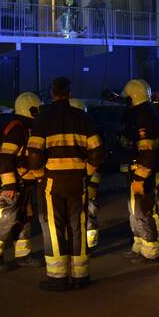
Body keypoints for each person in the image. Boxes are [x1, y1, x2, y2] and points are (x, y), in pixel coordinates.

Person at [27, 77, 104, 291]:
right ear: (69, 93)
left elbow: (33, 154)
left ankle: (58, 277)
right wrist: (85, 173)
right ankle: (81, 275)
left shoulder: (43, 119)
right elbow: (97, 152)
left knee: (54, 227)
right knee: (77, 226)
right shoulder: (83, 118)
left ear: (52, 93)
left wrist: (41, 176)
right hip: (77, 181)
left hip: (52, 182)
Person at [0, 92, 43, 271]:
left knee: (25, 218)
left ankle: (23, 255)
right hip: (13, 183)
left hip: (24, 183)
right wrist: (9, 185)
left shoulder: (24, 127)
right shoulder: (17, 128)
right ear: (31, 109)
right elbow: (6, 158)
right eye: (36, 109)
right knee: (7, 218)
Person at [118, 78, 159, 263]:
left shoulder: (144, 117)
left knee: (145, 209)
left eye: (127, 98)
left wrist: (139, 177)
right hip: (137, 171)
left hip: (144, 173)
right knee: (135, 210)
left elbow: (148, 151)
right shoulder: (139, 114)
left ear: (133, 97)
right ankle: (139, 245)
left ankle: (151, 250)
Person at [68, 98, 101, 250]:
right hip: (81, 181)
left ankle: (87, 244)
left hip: (79, 181)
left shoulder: (67, 133)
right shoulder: (89, 131)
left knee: (85, 213)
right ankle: (87, 244)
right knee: (87, 213)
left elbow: (97, 161)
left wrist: (92, 183)